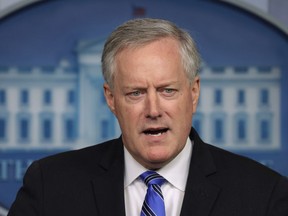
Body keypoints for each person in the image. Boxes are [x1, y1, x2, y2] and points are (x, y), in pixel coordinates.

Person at [8, 18, 288, 216]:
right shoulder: (50, 185)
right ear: (111, 99)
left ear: (193, 93)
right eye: (136, 93)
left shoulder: (264, 194)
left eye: (168, 90)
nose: (153, 110)